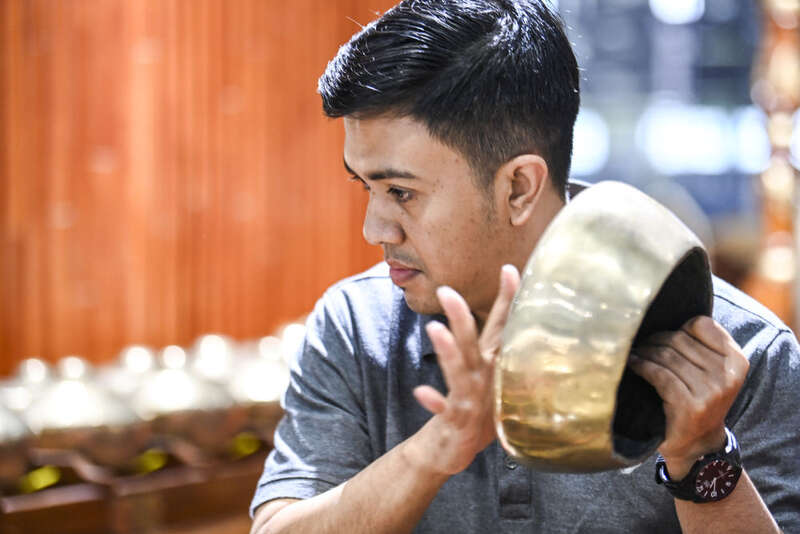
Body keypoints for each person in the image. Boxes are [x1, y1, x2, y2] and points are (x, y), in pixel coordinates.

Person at [250, 1, 799, 532]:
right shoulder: (356, 325)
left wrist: (701, 453)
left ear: (518, 187)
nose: (374, 230)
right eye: (365, 186)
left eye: (401, 192)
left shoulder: (741, 352)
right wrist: (436, 448)